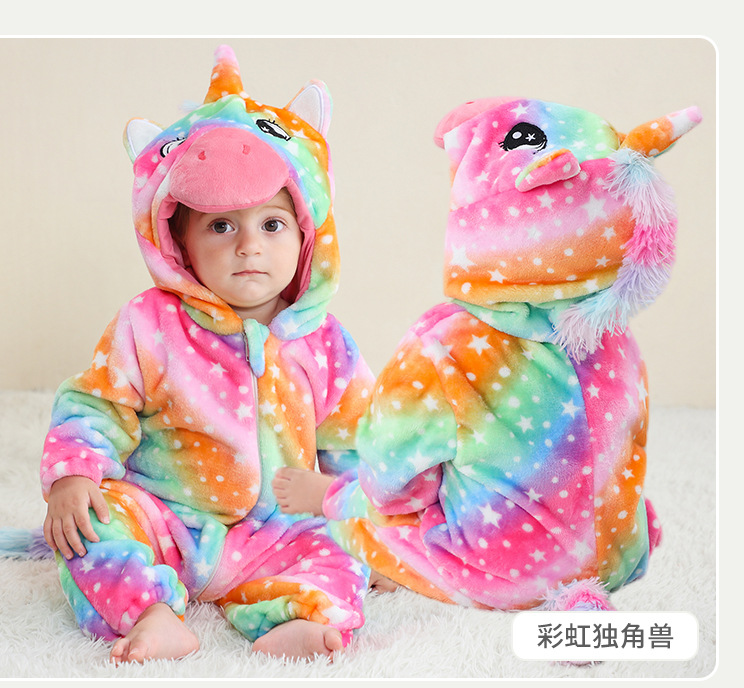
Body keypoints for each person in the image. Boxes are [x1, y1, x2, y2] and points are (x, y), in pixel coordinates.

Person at [274, 98, 701, 613]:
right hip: (621, 557)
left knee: (361, 518)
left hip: (505, 574)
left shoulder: (446, 346)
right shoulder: (616, 337)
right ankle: (607, 552)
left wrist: (354, 498)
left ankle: (333, 503)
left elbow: (393, 480)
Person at [40, 45, 374, 664]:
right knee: (89, 524)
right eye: (221, 226)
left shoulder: (326, 342)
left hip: (277, 529)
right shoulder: (149, 323)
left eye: (271, 225)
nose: (249, 246)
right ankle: (151, 613)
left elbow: (354, 442)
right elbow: (95, 405)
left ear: (307, 236)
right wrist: (73, 475)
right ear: (180, 243)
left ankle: (300, 615)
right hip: (166, 518)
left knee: (346, 543)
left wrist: (358, 506)